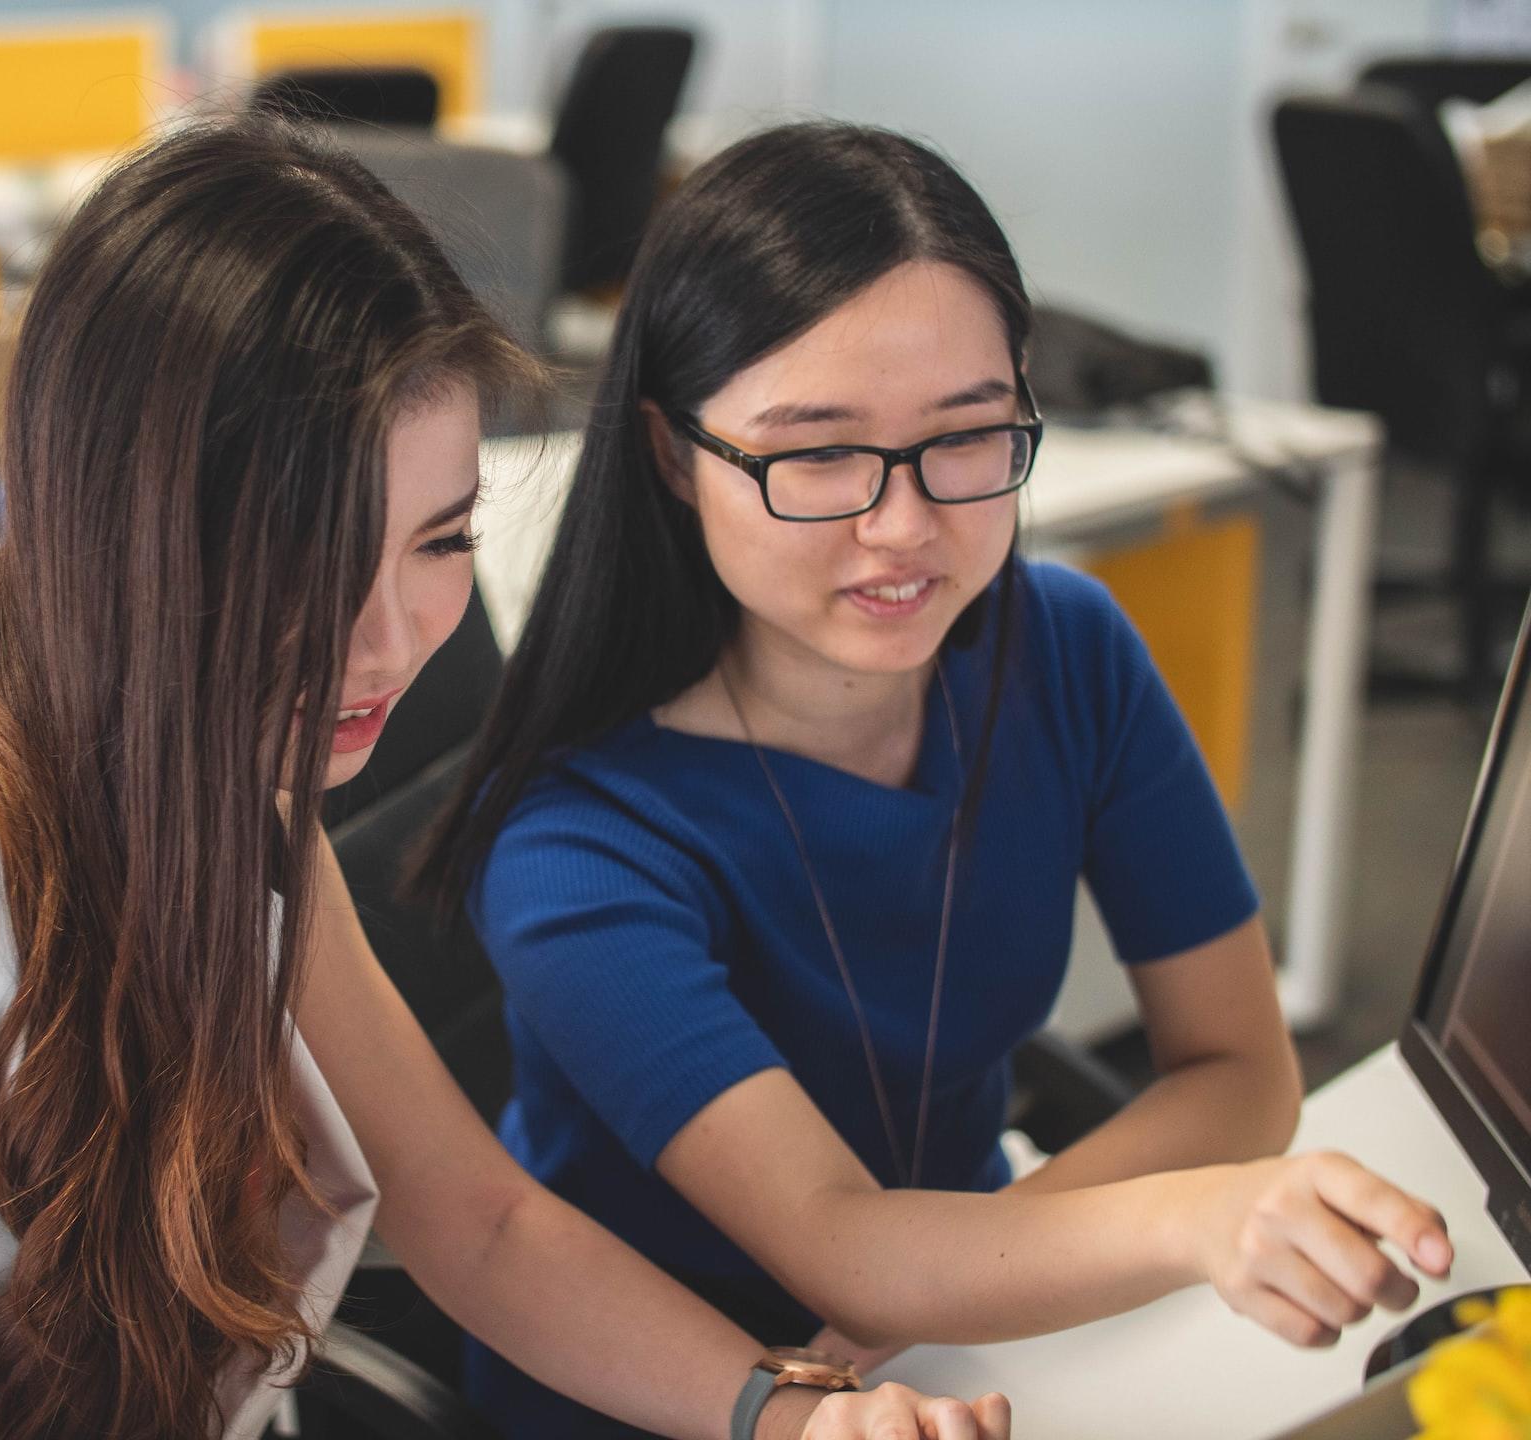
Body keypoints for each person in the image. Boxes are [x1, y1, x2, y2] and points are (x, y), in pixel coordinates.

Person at [0, 118, 1010, 1440]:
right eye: (314, 553)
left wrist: (790, 1413)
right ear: (131, 527)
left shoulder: (231, 768)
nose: (391, 642)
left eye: (441, 540)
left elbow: (481, 1222)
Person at [416, 121, 1455, 1438]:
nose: (903, 526)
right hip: (687, 1398)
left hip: (969, 1331)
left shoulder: (1063, 647)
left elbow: (1243, 1069)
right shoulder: (580, 843)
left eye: (967, 436)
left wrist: (965, 1277)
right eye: (819, 453)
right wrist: (1177, 1218)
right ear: (675, 455)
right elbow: (836, 1247)